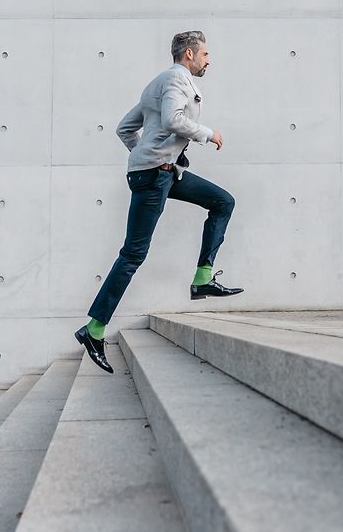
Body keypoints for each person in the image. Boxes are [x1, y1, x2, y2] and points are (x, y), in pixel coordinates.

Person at [74, 31, 243, 373]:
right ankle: (94, 329)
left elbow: (125, 128)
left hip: (164, 173)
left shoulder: (158, 82)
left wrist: (149, 154)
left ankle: (202, 277)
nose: (209, 60)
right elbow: (172, 120)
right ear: (190, 54)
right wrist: (209, 134)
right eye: (206, 54)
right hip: (154, 177)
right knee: (133, 254)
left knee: (223, 201)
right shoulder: (176, 80)